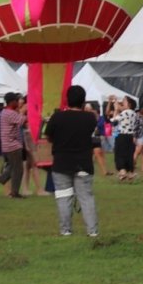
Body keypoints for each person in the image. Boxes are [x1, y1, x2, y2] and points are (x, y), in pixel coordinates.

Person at [45, 85, 102, 238]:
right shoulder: (90, 118)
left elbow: (48, 136)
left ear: (67, 100)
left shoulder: (57, 117)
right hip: (83, 163)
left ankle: (66, 230)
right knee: (86, 198)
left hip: (62, 163)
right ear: (83, 101)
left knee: (64, 197)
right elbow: (94, 139)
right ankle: (92, 231)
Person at [0, 93, 29, 198]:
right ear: (12, 102)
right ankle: (14, 192)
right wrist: (26, 110)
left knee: (11, 169)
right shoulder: (10, 113)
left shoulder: (5, 112)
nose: (19, 102)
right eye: (17, 100)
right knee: (18, 169)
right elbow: (24, 120)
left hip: (8, 145)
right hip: (13, 146)